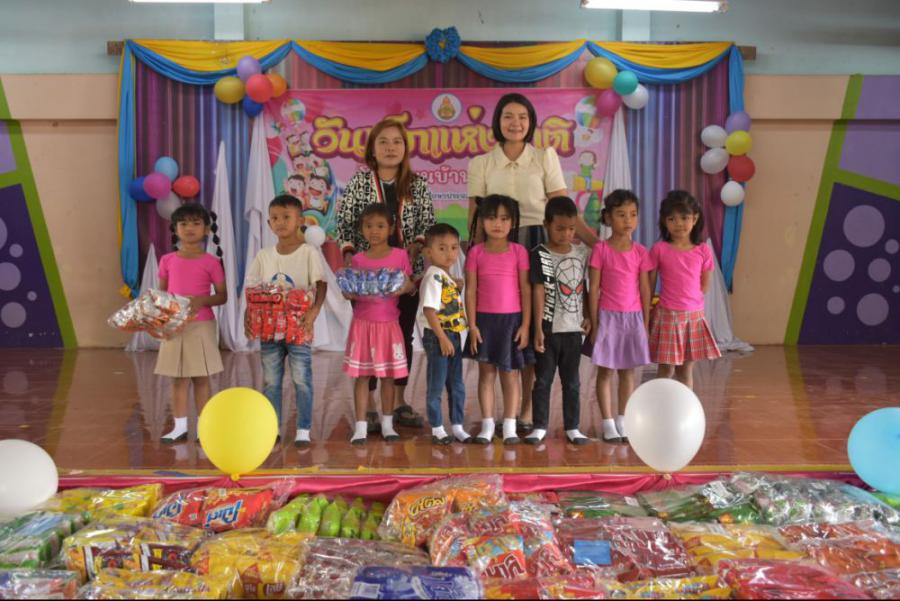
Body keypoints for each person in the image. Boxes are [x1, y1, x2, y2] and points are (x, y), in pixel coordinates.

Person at [467, 93, 599, 434]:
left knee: (535, 324)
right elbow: (475, 216)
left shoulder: (544, 157)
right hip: (498, 248)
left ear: (531, 122)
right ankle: (498, 412)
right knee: (506, 324)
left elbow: (564, 209)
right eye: (508, 116)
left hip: (538, 243)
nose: (515, 123)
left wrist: (597, 244)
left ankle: (526, 410)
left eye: (522, 117)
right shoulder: (482, 163)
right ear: (497, 121)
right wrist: (473, 256)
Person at [337, 118, 435, 431]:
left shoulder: (416, 184)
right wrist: (350, 257)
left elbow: (427, 224)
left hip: (405, 276)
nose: (390, 147)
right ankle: (367, 408)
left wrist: (415, 248)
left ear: (405, 148)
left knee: (402, 335)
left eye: (397, 142)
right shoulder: (359, 183)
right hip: (366, 277)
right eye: (383, 142)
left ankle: (399, 403)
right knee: (367, 335)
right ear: (372, 149)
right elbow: (345, 224)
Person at [244, 194, 326, 447]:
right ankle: (273, 427)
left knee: (302, 379)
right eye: (275, 218)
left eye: (286, 217)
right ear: (269, 223)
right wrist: (248, 317)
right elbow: (252, 290)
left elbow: (321, 284)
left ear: (300, 221)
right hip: (269, 329)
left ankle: (303, 429)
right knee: (271, 381)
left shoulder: (308, 252)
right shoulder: (264, 256)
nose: (280, 222)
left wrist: (313, 311)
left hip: (299, 327)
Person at [342, 204, 414, 445]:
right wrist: (347, 292)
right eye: (369, 226)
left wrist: (405, 287)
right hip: (362, 325)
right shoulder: (358, 259)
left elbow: (410, 285)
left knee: (388, 377)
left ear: (391, 229)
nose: (374, 231)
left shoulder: (400, 256)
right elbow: (351, 291)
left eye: (380, 226)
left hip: (389, 326)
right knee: (362, 376)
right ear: (362, 229)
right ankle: (360, 426)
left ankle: (388, 424)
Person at [156, 204, 227, 443]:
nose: (189, 228)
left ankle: (204, 427)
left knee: (200, 377)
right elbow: (162, 296)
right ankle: (179, 427)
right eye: (183, 224)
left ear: (206, 229)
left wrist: (202, 301)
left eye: (196, 223)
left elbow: (222, 296)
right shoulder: (167, 260)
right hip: (174, 325)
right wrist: (162, 319)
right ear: (175, 229)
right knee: (177, 377)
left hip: (201, 326)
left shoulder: (211, 262)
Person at [464, 195, 531, 445]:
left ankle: (510, 426)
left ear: (513, 223)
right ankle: (487, 426)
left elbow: (526, 290)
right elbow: (470, 291)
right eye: (491, 218)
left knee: (510, 375)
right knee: (486, 375)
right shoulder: (475, 252)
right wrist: (472, 325)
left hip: (512, 322)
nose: (497, 224)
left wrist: (525, 325)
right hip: (484, 322)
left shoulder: (519, 252)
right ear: (481, 221)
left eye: (504, 219)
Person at [586, 190, 652, 443]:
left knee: (627, 373)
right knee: (605, 372)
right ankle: (607, 422)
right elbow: (593, 288)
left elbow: (645, 289)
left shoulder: (640, 252)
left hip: (632, 319)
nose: (628, 220)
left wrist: (645, 322)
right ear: (608, 218)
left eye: (633, 215)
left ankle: (624, 419)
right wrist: (595, 323)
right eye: (621, 215)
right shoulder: (601, 249)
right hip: (608, 318)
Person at [526, 196, 591, 446]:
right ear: (546, 224)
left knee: (572, 382)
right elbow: (538, 290)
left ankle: (573, 427)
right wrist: (538, 328)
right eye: (560, 228)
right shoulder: (539, 254)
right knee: (543, 381)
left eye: (571, 229)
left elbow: (584, 287)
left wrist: (588, 315)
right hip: (548, 330)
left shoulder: (581, 253)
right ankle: (539, 426)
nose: (566, 234)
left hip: (574, 330)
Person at [646, 190, 721, 390]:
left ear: (695, 219)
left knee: (685, 371)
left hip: (693, 318)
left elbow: (704, 285)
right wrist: (647, 313)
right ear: (664, 221)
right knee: (665, 370)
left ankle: (686, 406)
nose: (678, 223)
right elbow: (649, 285)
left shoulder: (703, 250)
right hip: (667, 316)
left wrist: (689, 302)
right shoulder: (659, 249)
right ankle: (660, 404)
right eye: (672, 219)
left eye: (684, 217)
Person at [417, 223, 472, 445]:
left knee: (456, 383)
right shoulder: (433, 276)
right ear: (428, 252)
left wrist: (457, 287)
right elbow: (429, 310)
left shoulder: (445, 275)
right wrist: (442, 338)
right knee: (437, 383)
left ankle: (457, 425)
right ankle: (438, 427)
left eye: (454, 247)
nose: (449, 253)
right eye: (442, 248)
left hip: (454, 335)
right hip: (439, 336)